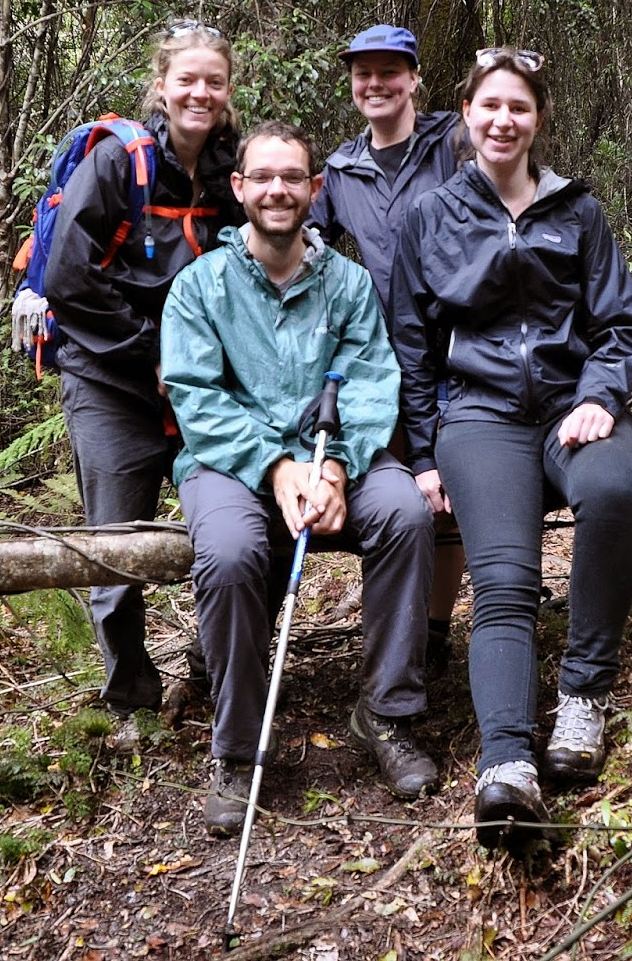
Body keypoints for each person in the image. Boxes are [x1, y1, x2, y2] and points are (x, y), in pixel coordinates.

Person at [388, 48, 632, 850]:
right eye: (490, 105)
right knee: (504, 581)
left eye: (519, 107)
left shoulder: (578, 211)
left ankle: (582, 698)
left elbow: (620, 323)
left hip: (575, 407)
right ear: (466, 113)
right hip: (480, 417)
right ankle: (506, 767)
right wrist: (424, 454)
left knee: (612, 494)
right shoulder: (429, 217)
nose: (504, 120)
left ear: (539, 119)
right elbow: (412, 348)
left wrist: (600, 395)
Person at [161, 120, 440, 837]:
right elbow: (195, 395)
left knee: (405, 513)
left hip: (334, 457)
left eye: (292, 178)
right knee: (229, 553)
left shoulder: (347, 284)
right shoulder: (200, 286)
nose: (278, 190)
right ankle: (238, 749)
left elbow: (373, 380)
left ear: (315, 190)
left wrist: (338, 465)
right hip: (231, 464)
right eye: (263, 177)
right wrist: (276, 466)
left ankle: (385, 714)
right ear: (239, 187)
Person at [43, 21, 244, 746]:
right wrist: (151, 353)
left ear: (227, 91)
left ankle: (219, 668)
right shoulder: (116, 162)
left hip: (201, 384)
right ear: (162, 86)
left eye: (213, 82)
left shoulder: (231, 168)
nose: (200, 93)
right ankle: (131, 699)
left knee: (234, 528)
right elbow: (69, 277)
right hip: (111, 378)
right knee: (116, 547)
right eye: (186, 80)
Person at [308, 24, 466, 679]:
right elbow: (307, 235)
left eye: (389, 72)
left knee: (449, 492)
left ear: (413, 78)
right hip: (385, 356)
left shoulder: (452, 142)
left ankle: (435, 630)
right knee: (402, 489)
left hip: (461, 342)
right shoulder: (343, 169)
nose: (375, 84)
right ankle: (397, 633)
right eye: (363, 74)